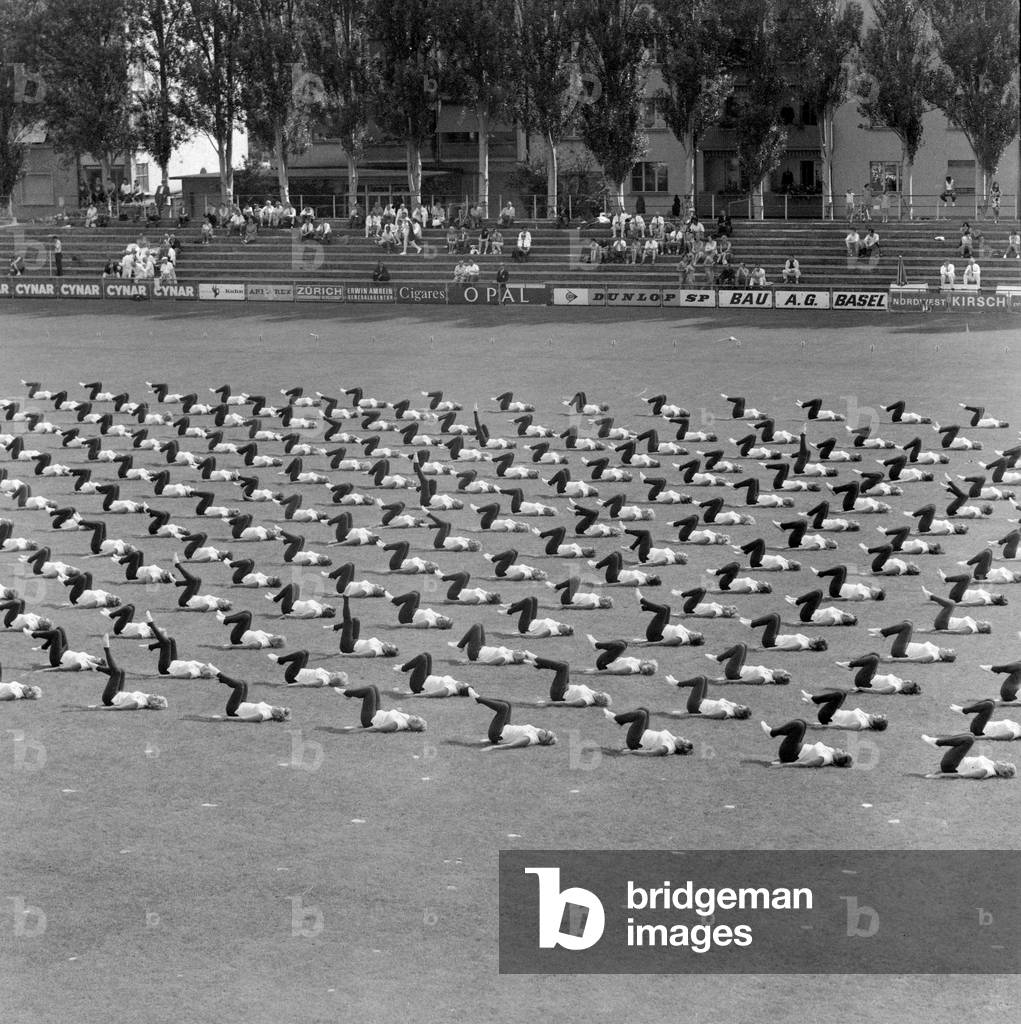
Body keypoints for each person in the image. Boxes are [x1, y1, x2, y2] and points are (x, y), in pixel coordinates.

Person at [469, 688, 556, 749]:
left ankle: (479, 699)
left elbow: (513, 745)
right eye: (547, 731)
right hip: (506, 727)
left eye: (545, 735)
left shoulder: (532, 738)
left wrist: (494, 747)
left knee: (503, 708)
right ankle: (481, 698)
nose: (544, 731)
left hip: (497, 734)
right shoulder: (537, 731)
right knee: (508, 704)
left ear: (543, 741)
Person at [603, 706, 692, 755]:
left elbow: (651, 753)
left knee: (641, 714)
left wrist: (632, 751)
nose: (683, 737)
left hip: (635, 741)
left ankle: (616, 719)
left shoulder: (669, 747)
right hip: (643, 733)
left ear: (680, 746)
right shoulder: (674, 740)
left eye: (684, 739)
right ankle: (620, 722)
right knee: (644, 710)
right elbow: (687, 749)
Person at [761, 719, 853, 767]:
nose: (843, 749)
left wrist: (783, 765)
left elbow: (805, 764)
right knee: (802, 723)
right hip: (795, 748)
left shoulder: (825, 758)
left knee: (799, 726)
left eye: (844, 752)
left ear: (839, 758)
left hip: (789, 754)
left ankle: (772, 733)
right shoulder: (831, 752)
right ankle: (772, 733)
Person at [922, 733, 1015, 779]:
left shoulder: (987, 770)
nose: (1003, 761)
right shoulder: (991, 764)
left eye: (1005, 764)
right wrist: (938, 771)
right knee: (971, 735)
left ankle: (937, 742)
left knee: (969, 739)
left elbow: (963, 775)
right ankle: (937, 742)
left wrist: (941, 775)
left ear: (1002, 772)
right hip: (954, 762)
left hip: (951, 765)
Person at [799, 688, 887, 731]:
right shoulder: (868, 717)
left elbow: (841, 727)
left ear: (874, 723)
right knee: (843, 694)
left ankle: (814, 699)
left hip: (826, 717)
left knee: (839, 695)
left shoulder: (861, 723)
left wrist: (824, 726)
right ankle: (815, 701)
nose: (875, 714)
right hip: (834, 712)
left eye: (877, 717)